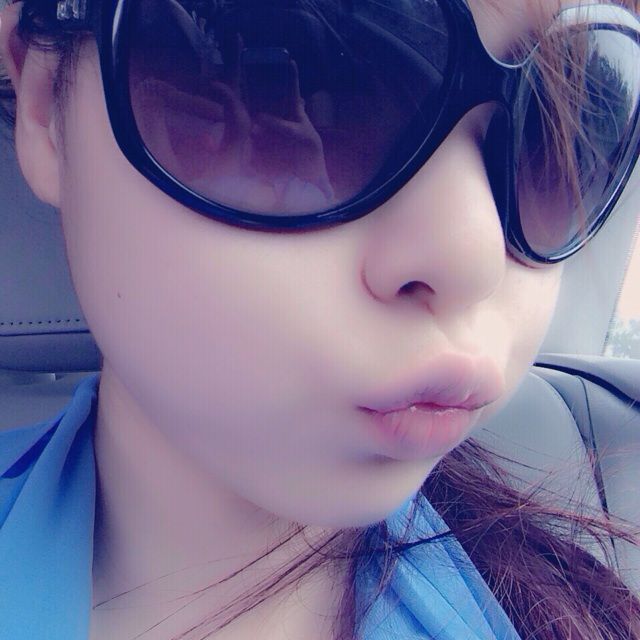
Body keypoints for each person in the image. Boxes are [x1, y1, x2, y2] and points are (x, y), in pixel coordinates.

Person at [0, 0, 639, 638]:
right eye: (302, 68)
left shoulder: (579, 600)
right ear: (45, 107)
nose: (474, 256)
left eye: (548, 126)